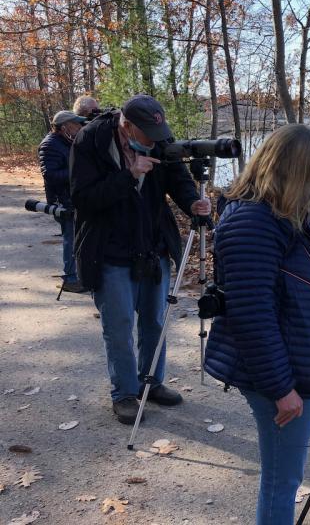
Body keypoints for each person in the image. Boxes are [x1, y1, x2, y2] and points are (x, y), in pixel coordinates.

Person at [204, 125, 310, 525]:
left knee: (285, 477)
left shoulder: (289, 212)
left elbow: (304, 276)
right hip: (277, 370)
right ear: (294, 172)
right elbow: (251, 315)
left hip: (294, 355)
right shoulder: (252, 222)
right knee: (281, 482)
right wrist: (282, 388)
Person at [70, 94, 211, 424]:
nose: (154, 141)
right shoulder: (90, 140)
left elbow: (178, 178)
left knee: (155, 321)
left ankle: (151, 383)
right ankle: (125, 393)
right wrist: (129, 175)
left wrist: (192, 202)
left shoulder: (159, 137)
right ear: (127, 125)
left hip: (152, 245)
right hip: (109, 250)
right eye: (147, 134)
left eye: (158, 134)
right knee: (118, 326)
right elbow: (83, 198)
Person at [38, 110, 87, 293]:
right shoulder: (49, 145)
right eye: (77, 124)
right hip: (63, 201)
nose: (80, 127)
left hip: (75, 198)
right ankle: (70, 279)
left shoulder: (68, 142)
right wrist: (78, 173)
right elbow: (50, 175)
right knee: (71, 238)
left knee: (79, 237)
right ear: (65, 127)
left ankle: (81, 276)